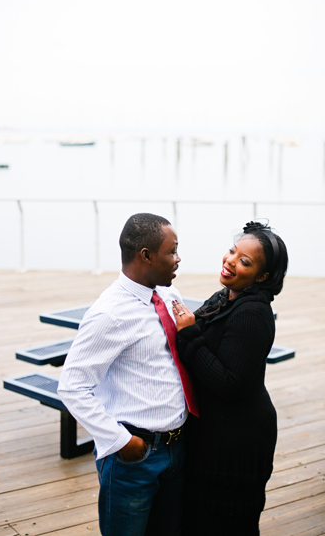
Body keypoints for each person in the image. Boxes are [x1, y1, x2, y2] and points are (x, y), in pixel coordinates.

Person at [58, 212, 198, 536]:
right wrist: (122, 441)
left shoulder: (169, 295)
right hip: (134, 458)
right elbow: (72, 386)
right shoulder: (110, 313)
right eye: (172, 251)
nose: (179, 259)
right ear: (146, 256)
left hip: (176, 448)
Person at [172, 221, 288, 535]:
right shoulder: (226, 297)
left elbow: (230, 382)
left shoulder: (252, 313)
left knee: (226, 523)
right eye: (232, 251)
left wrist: (190, 334)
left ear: (262, 277)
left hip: (237, 443)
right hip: (216, 434)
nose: (230, 260)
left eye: (244, 261)